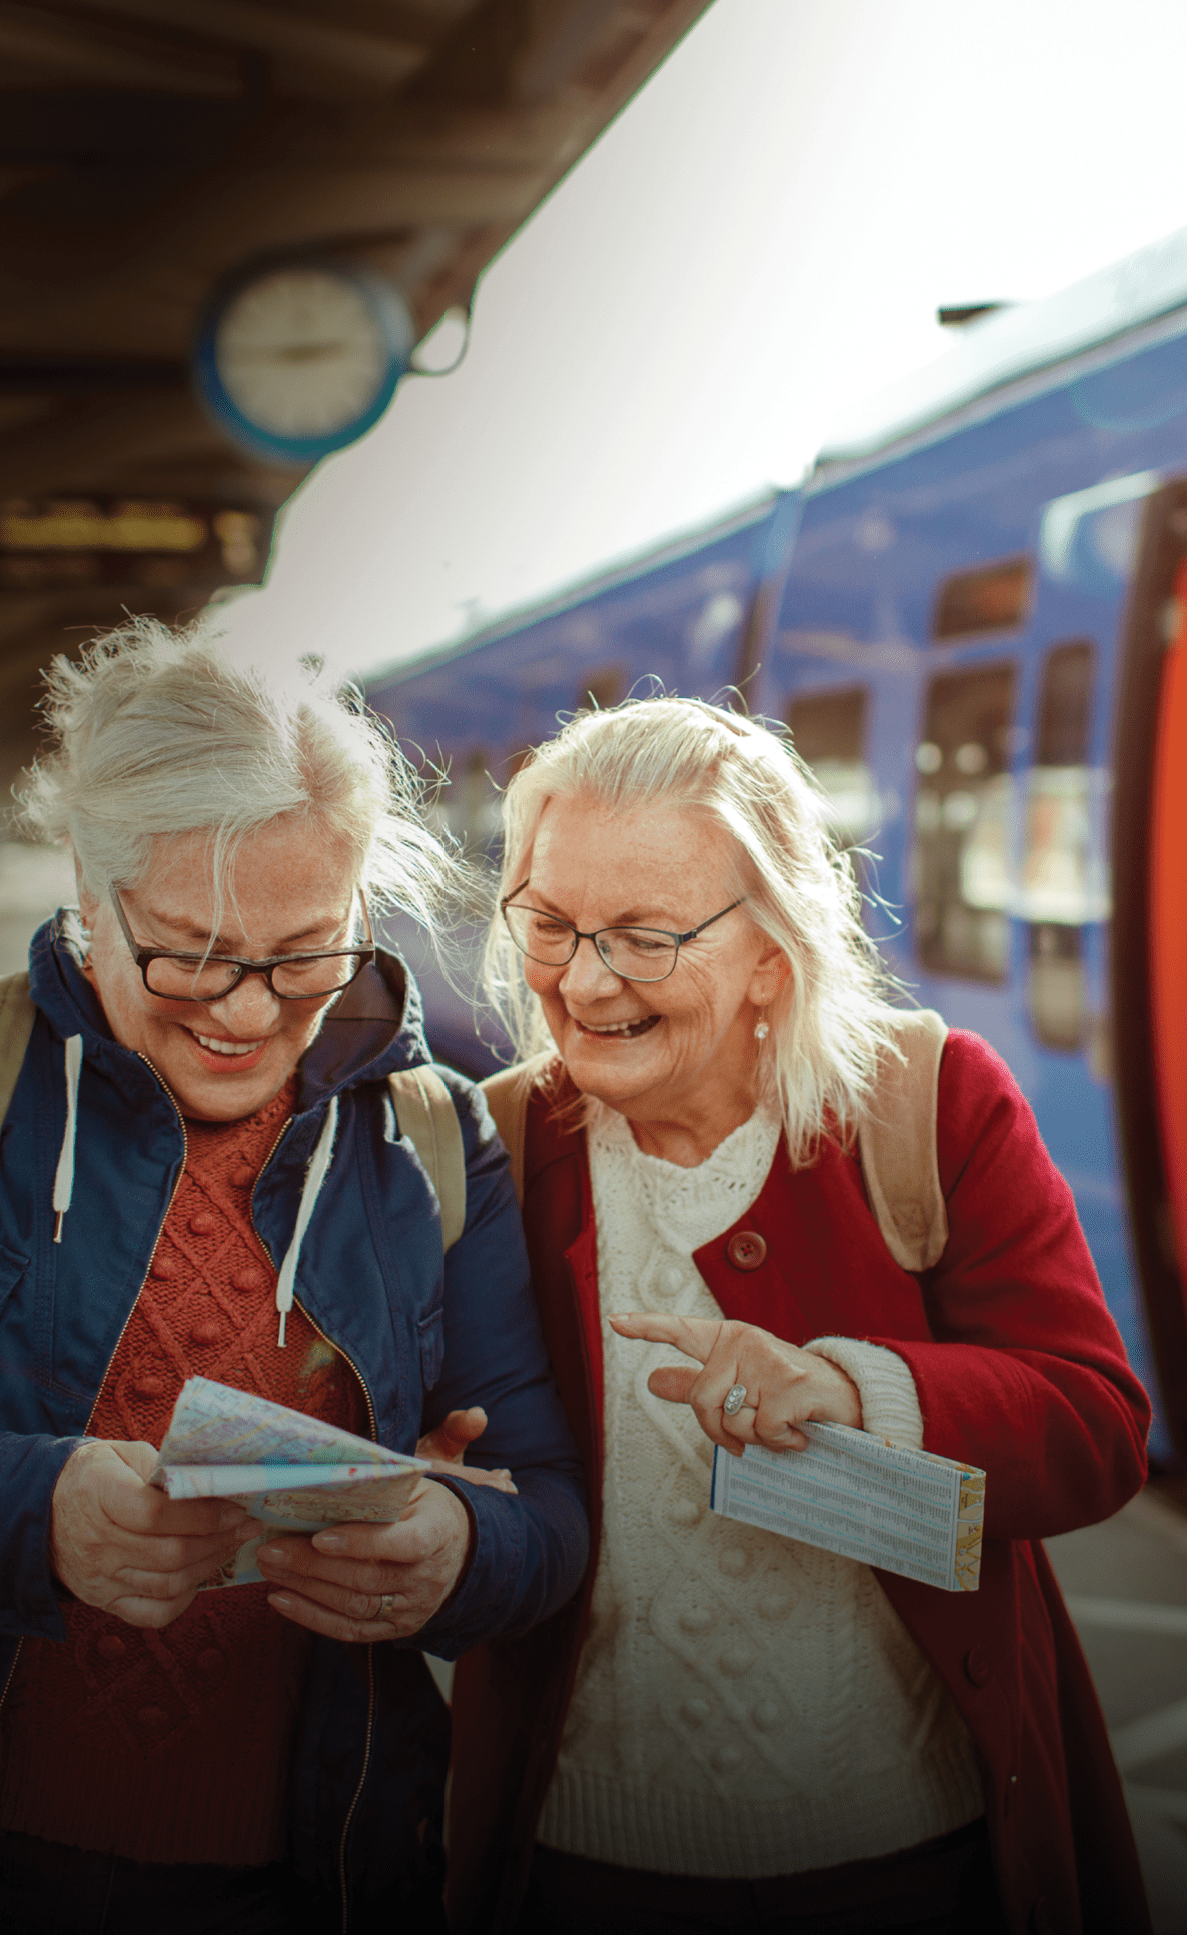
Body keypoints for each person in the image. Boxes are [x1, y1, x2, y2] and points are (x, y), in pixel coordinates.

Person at [0, 622, 588, 1935]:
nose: (250, 1013)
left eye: (304, 951)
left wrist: (459, 1550)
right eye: (189, 951)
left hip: (300, 1882)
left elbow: (548, 1508)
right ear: (88, 899)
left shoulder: (431, 1143)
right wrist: (34, 1510)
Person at [443, 694, 1151, 1935]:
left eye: (644, 936)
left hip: (905, 1850)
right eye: (550, 924)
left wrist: (856, 1390)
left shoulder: (926, 1105)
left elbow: (1095, 1428)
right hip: (580, 1859)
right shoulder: (492, 1146)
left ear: (772, 948)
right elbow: (456, 1498)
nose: (583, 978)